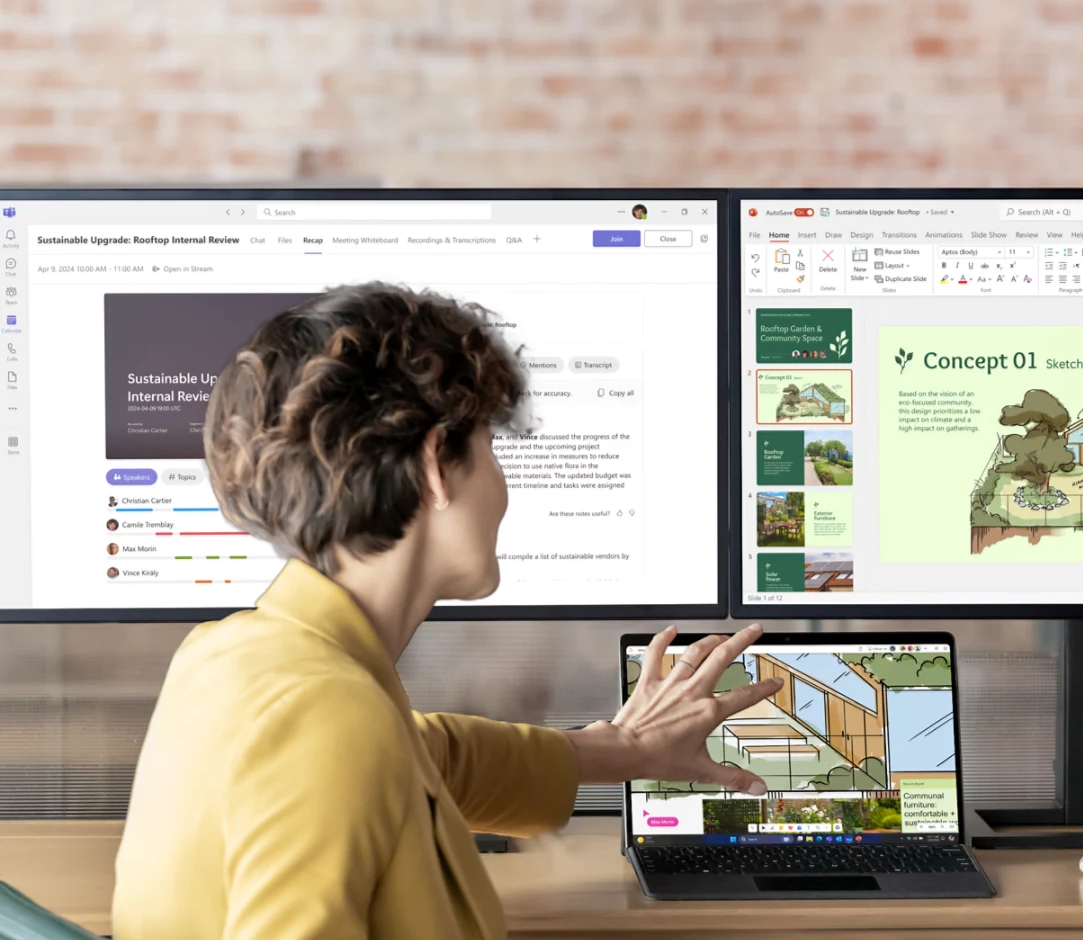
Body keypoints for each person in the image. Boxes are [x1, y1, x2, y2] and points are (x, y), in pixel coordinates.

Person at [112, 283, 782, 939]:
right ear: (435, 464)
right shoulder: (329, 715)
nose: (502, 487)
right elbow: (359, 748)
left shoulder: (232, 656)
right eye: (488, 446)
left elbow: (427, 754)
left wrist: (626, 748)